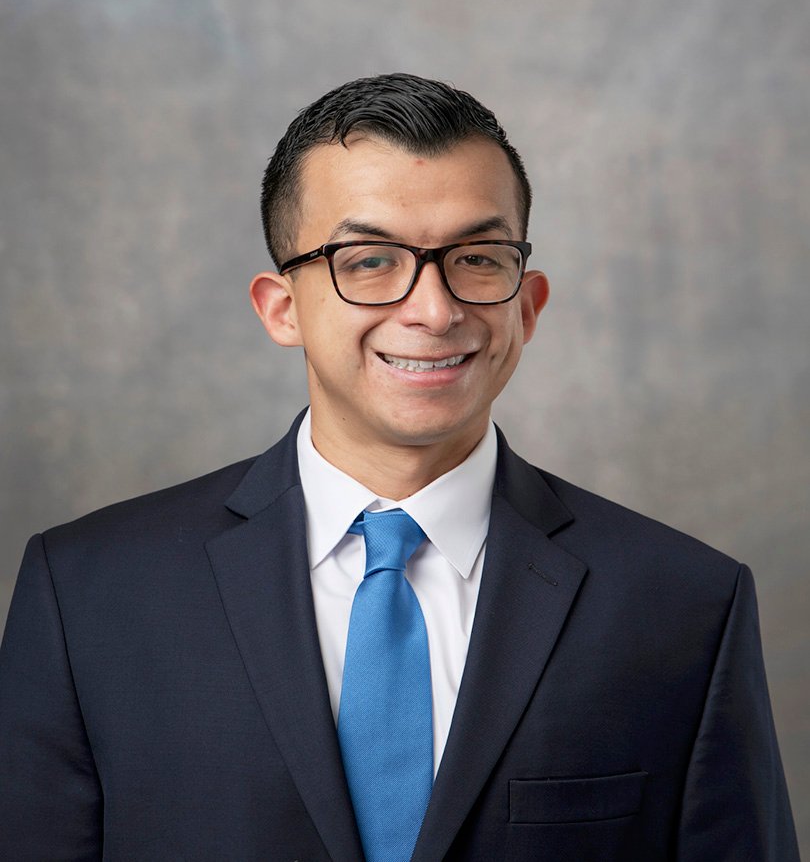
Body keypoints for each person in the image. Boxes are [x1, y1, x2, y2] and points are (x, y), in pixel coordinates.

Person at [0, 73, 798, 861]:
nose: (435, 309)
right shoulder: (88, 594)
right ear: (282, 308)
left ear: (527, 304)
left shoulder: (685, 603)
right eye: (370, 259)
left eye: (479, 258)